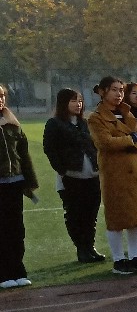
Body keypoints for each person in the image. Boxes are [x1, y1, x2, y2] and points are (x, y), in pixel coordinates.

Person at [89, 76, 137, 275]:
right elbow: (104, 142)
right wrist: (130, 139)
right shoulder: (96, 117)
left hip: (135, 170)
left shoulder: (127, 113)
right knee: (116, 218)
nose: (119, 94)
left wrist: (130, 141)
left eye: (120, 90)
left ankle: (135, 257)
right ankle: (118, 260)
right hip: (114, 173)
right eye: (114, 90)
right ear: (103, 92)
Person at [43, 88, 104, 263]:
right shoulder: (54, 124)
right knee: (75, 214)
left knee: (91, 213)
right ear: (63, 103)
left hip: (92, 175)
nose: (78, 104)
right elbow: (50, 149)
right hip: (71, 176)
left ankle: (90, 247)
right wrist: (62, 170)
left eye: (80, 101)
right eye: (73, 101)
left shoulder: (85, 123)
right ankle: (81, 249)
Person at [0, 83, 38, 289]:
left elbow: (23, 154)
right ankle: (3, 273)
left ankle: (18, 270)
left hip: (14, 182)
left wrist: (30, 182)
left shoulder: (13, 124)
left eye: (2, 96)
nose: (1, 100)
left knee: (16, 229)